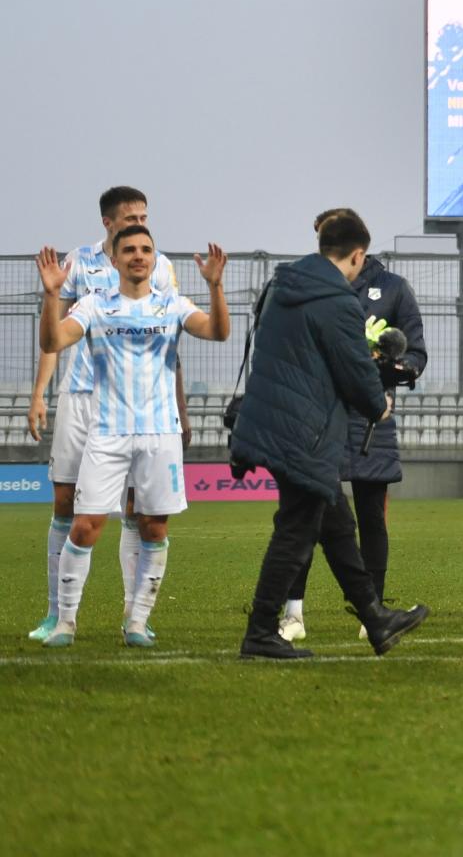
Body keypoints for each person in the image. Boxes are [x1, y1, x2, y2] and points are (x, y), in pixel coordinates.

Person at [232, 210, 428, 659]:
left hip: (276, 418)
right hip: (307, 429)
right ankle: (261, 632)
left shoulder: (285, 285)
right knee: (296, 530)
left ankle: (375, 618)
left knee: (337, 525)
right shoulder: (338, 299)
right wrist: (378, 405)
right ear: (358, 255)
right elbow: (353, 368)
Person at [33, 227, 226, 648]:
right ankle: (65, 622)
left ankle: (137, 622)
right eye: (129, 250)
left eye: (145, 250)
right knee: (85, 526)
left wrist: (215, 286)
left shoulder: (172, 305)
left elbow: (217, 332)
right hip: (107, 434)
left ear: (154, 259)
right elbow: (53, 340)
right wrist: (51, 296)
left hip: (161, 435)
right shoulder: (94, 305)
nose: (138, 256)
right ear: (115, 261)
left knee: (154, 527)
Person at [25, 186, 183, 643]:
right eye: (130, 217)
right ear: (108, 223)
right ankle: (57, 615)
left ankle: (136, 616)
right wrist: (41, 394)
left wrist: (178, 406)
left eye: (145, 217)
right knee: (66, 503)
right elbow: (56, 331)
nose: (138, 224)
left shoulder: (163, 266)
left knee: (140, 511)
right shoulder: (77, 262)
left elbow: (169, 342)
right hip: (82, 396)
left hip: (141, 408)